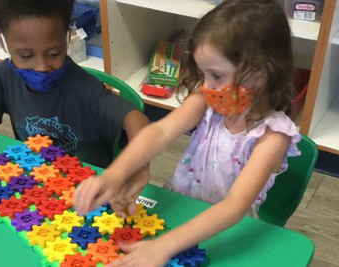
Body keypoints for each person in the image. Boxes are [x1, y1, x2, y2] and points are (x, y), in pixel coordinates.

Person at [74, 0, 301, 266]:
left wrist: (162, 247)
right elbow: (158, 132)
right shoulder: (209, 99)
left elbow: (234, 207)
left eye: (216, 75)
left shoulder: (273, 135)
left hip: (224, 231)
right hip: (180, 207)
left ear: (261, 74)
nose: (206, 85)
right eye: (204, 74)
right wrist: (114, 175)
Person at [0, 0, 149, 170]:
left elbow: (136, 120)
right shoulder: (4, 74)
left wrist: (136, 168)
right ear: (2, 41)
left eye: (53, 53)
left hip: (86, 183)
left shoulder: (86, 88)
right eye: (26, 56)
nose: (42, 67)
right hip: (35, 171)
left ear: (68, 39)